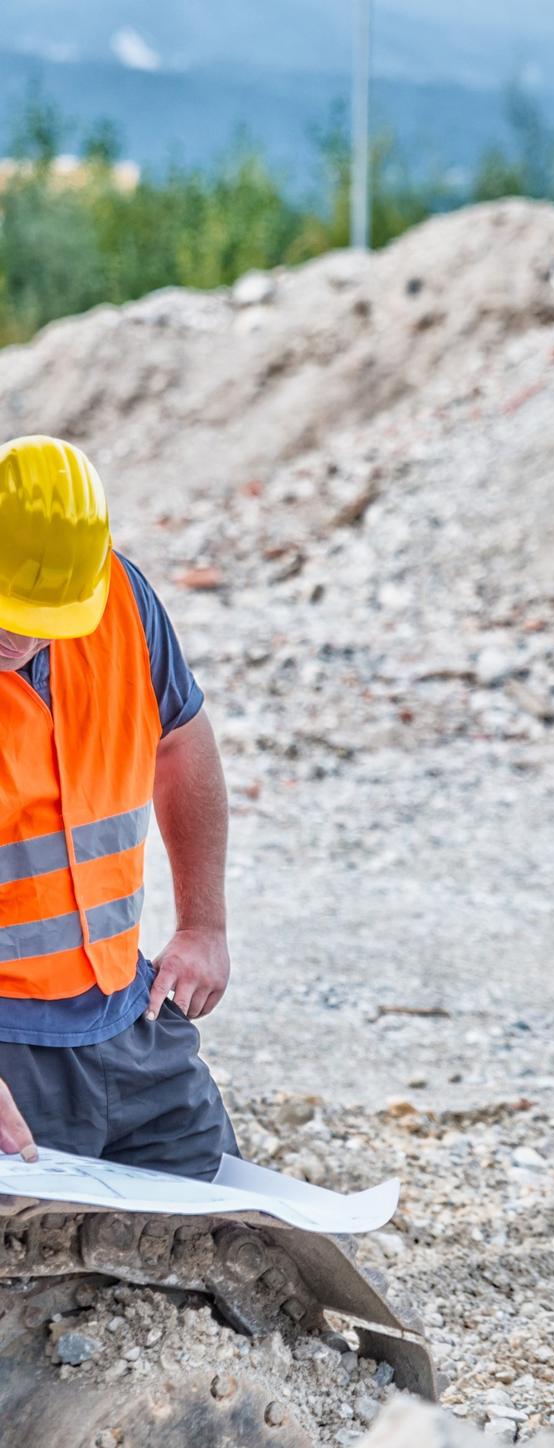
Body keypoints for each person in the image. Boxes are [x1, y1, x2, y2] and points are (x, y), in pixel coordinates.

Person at [0, 435, 236, 1180]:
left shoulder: (121, 602)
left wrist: (204, 925)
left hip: (127, 1021)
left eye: (46, 614)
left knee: (233, 1239)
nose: (23, 633)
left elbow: (181, 742)